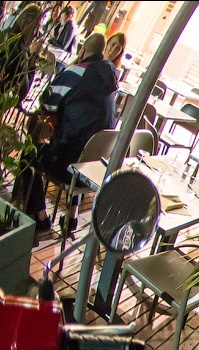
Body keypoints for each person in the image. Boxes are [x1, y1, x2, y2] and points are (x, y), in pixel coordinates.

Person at [21, 32, 117, 230]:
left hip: (69, 166)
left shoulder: (76, 72)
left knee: (29, 152)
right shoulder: (111, 78)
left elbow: (47, 103)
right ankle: (71, 216)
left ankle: (40, 218)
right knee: (82, 145)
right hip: (93, 169)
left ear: (81, 50)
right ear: (103, 52)